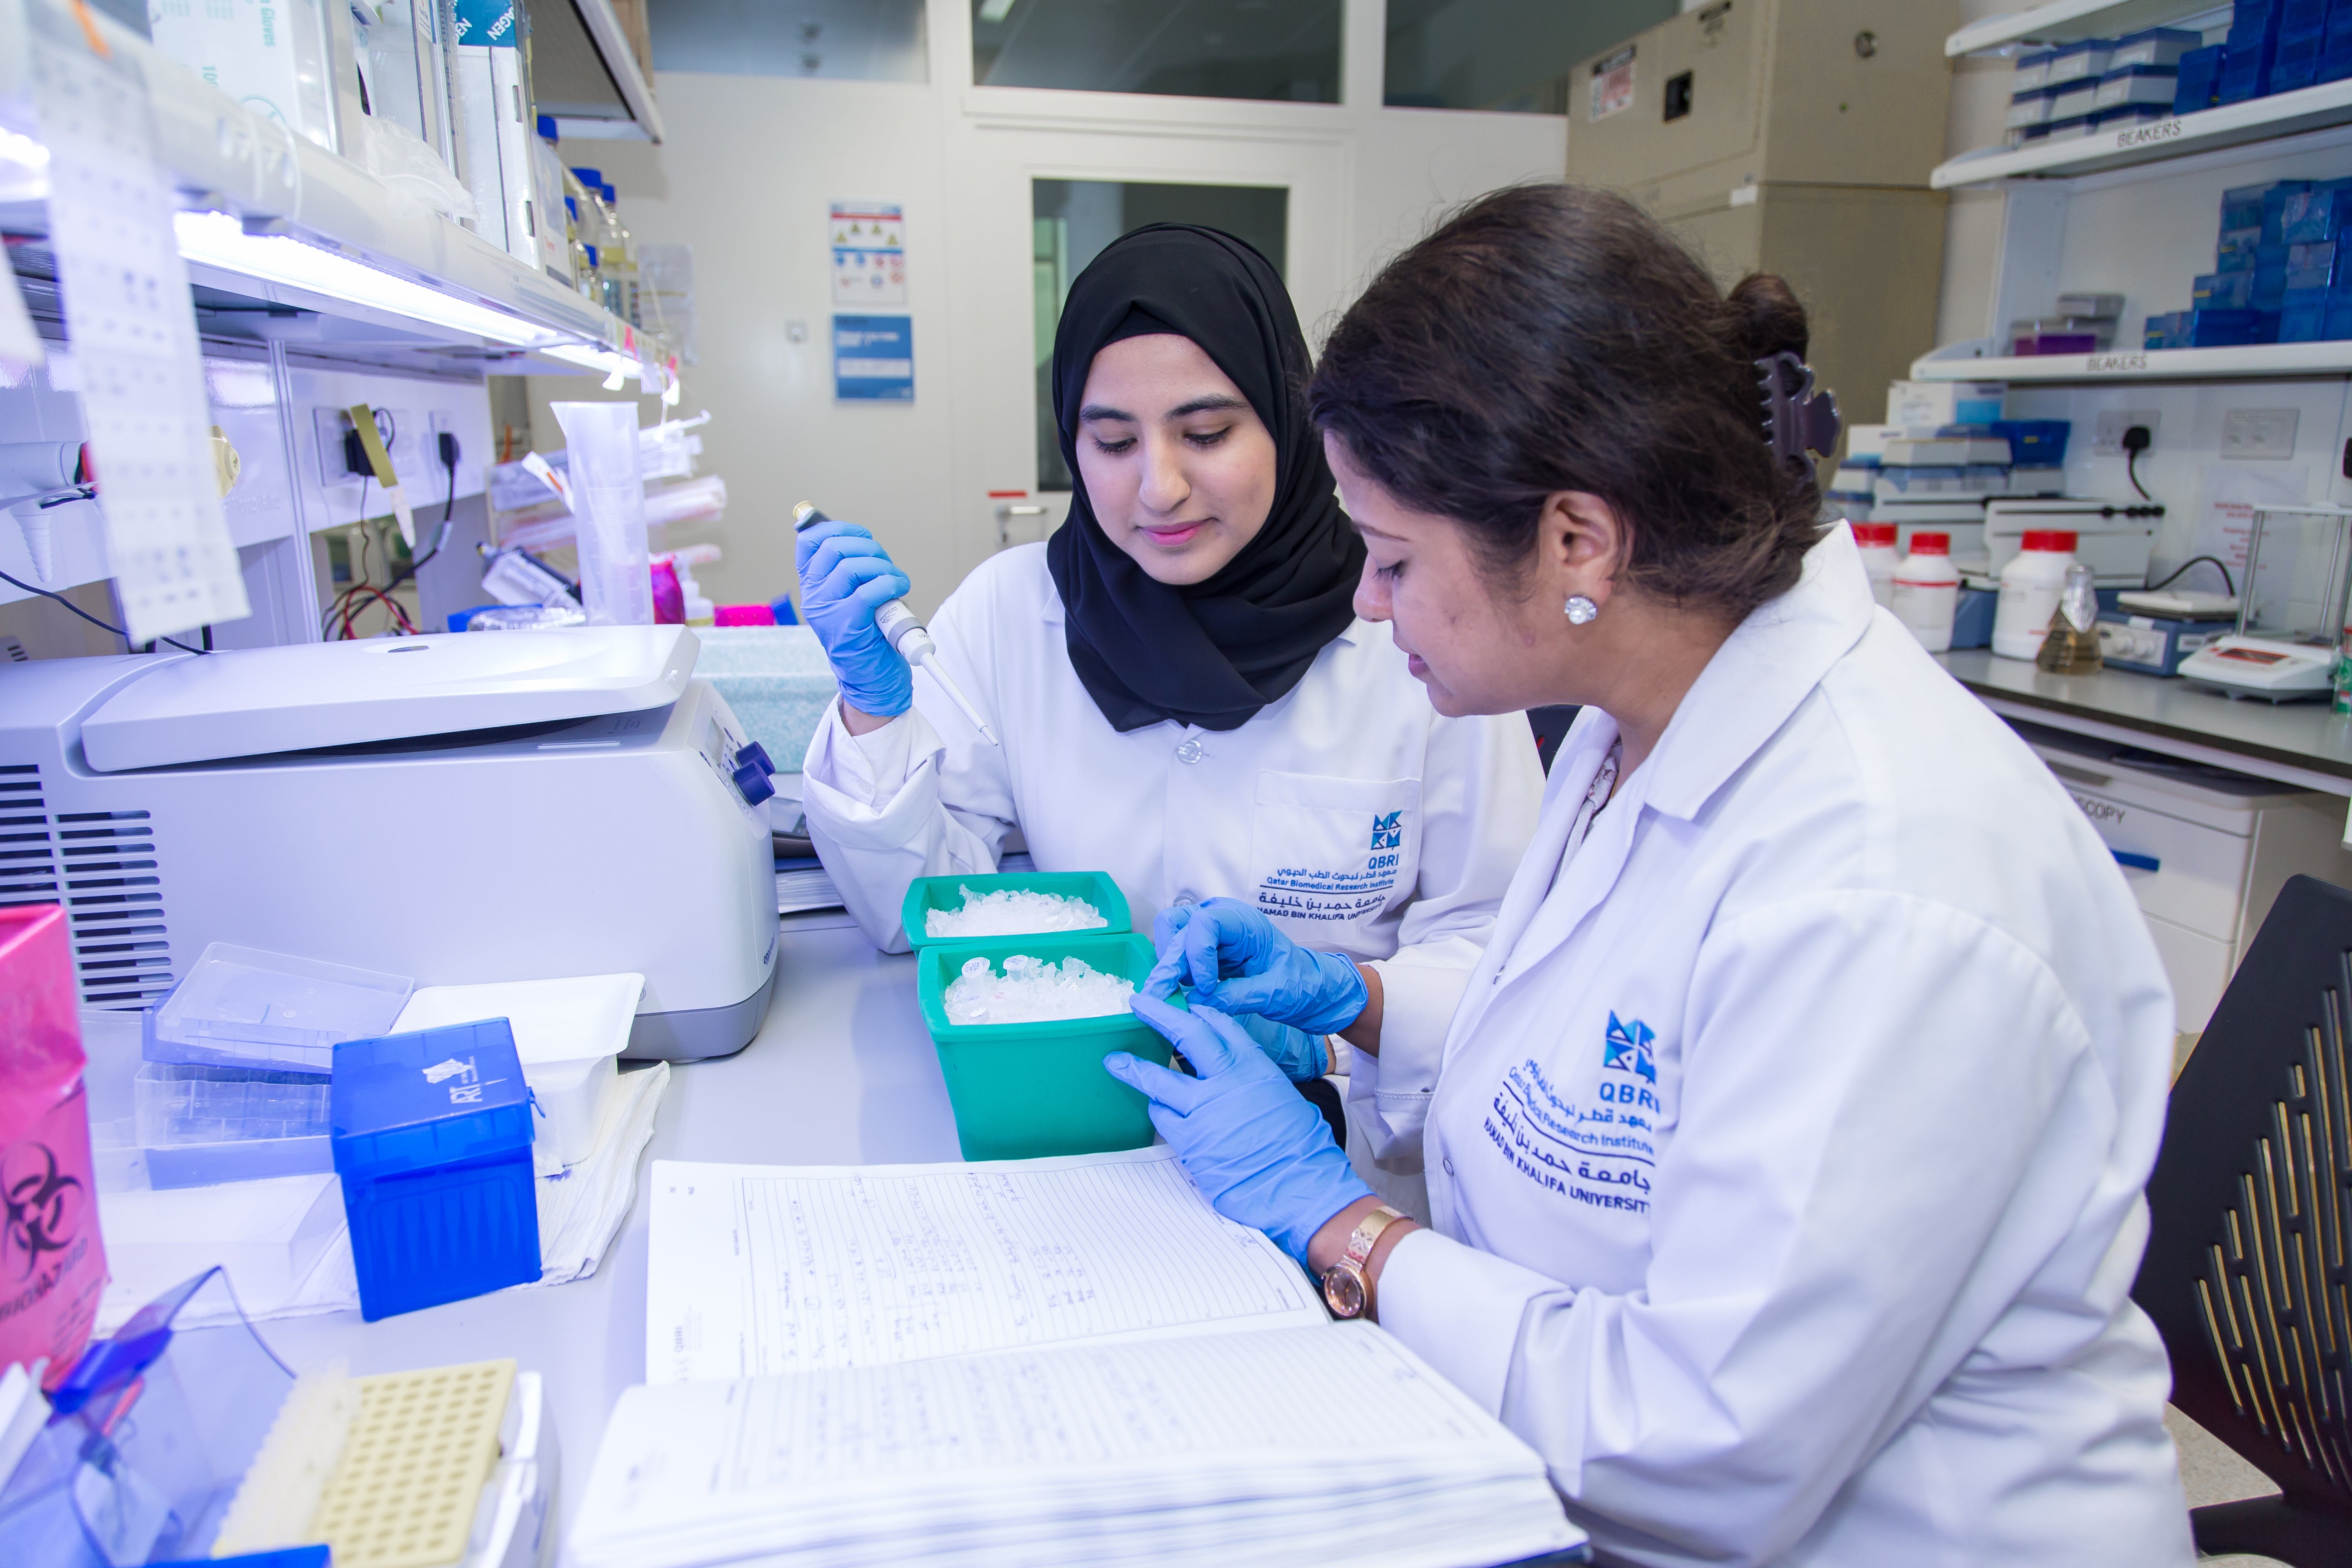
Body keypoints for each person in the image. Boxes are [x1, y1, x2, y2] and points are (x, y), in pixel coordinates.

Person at [1107, 186, 2194, 1565]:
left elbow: (1710, 1446)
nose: (1368, 605)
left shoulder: (1877, 883)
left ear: (1578, 540)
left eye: (1392, 559)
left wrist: (1345, 1231)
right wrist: (1354, 1004)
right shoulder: (1642, 717)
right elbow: (1625, 1039)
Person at [794, 224, 1544, 1184]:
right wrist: (872, 714)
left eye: (1207, 434)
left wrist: (1335, 1036)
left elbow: (1501, 950)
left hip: (1351, 1160)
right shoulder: (1010, 612)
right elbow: (918, 917)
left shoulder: (1417, 620)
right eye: (1113, 442)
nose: (1160, 486)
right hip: (1078, 1152)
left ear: (1289, 421)